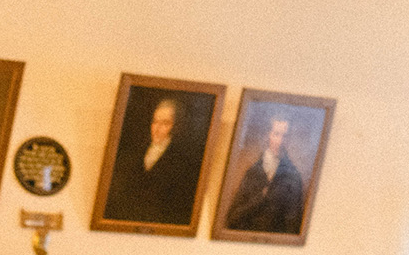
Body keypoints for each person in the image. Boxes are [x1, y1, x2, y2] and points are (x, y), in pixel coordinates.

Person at [105, 95, 205, 225]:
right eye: (155, 122)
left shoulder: (182, 161)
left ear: (176, 126)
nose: (157, 128)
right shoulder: (137, 151)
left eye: (165, 123)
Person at [223, 115, 305, 233]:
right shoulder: (252, 173)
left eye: (285, 136)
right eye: (276, 134)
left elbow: (293, 226)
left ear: (289, 139)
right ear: (268, 135)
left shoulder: (294, 177)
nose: (280, 141)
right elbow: (232, 218)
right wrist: (261, 197)